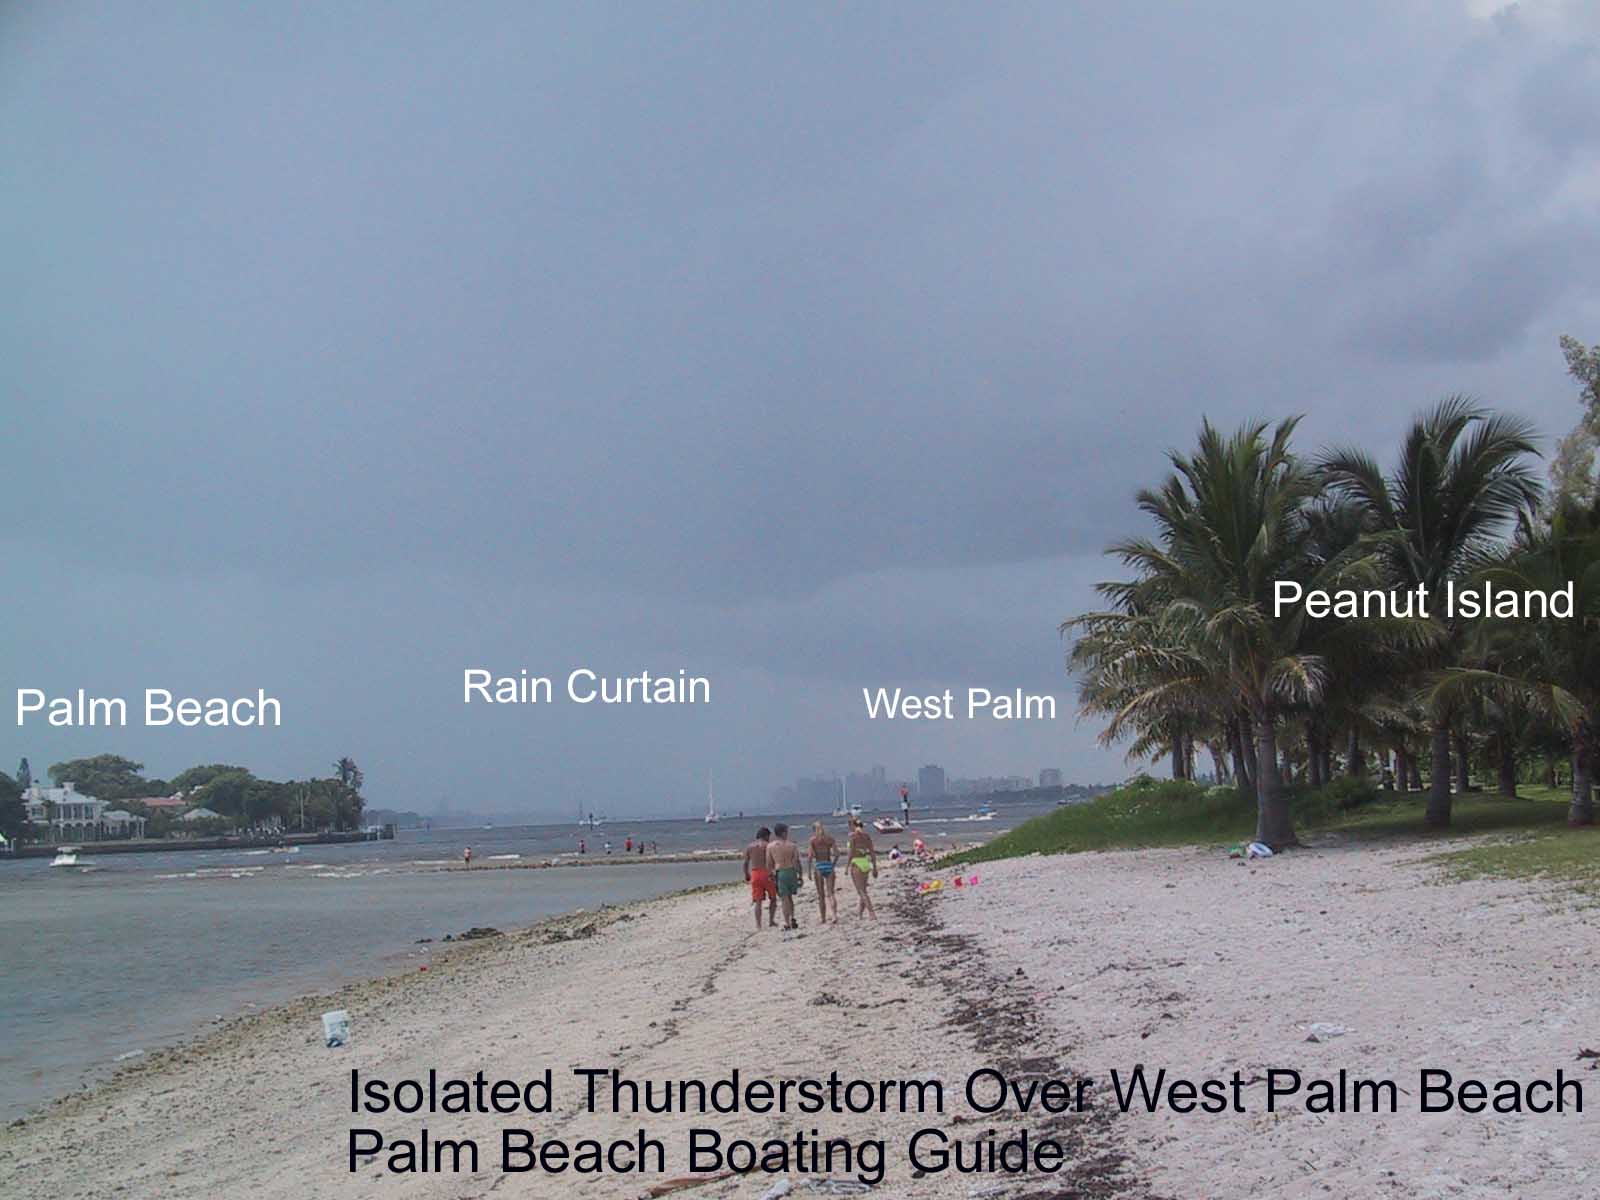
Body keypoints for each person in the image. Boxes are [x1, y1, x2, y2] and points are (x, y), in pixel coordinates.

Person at [766, 823, 804, 933]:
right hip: (791, 871)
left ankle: (787, 922)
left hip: (780, 872)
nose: (787, 834)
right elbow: (797, 861)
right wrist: (800, 875)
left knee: (784, 898)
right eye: (786, 832)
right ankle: (792, 917)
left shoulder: (771, 846)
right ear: (783, 833)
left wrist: (771, 875)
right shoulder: (792, 845)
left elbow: (769, 863)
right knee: (790, 897)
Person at [743, 827, 778, 929]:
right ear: (766, 836)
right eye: (769, 836)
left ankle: (758, 925)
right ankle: (771, 921)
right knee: (773, 898)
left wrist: (746, 874)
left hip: (755, 873)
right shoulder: (768, 846)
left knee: (758, 901)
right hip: (767, 873)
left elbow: (745, 863)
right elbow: (773, 861)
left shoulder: (750, 847)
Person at [808, 820, 838, 923]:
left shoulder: (813, 840)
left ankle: (823, 918)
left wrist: (808, 871)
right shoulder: (830, 839)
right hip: (828, 864)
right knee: (831, 893)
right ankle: (834, 915)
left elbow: (810, 856)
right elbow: (837, 854)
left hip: (819, 866)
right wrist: (833, 865)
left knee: (821, 895)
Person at [846, 818, 878, 919]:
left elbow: (851, 853)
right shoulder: (866, 836)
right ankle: (860, 914)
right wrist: (875, 867)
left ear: (852, 826)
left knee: (861, 892)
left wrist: (846, 867)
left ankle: (871, 913)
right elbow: (872, 852)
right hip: (865, 863)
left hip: (856, 863)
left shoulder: (853, 837)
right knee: (863, 890)